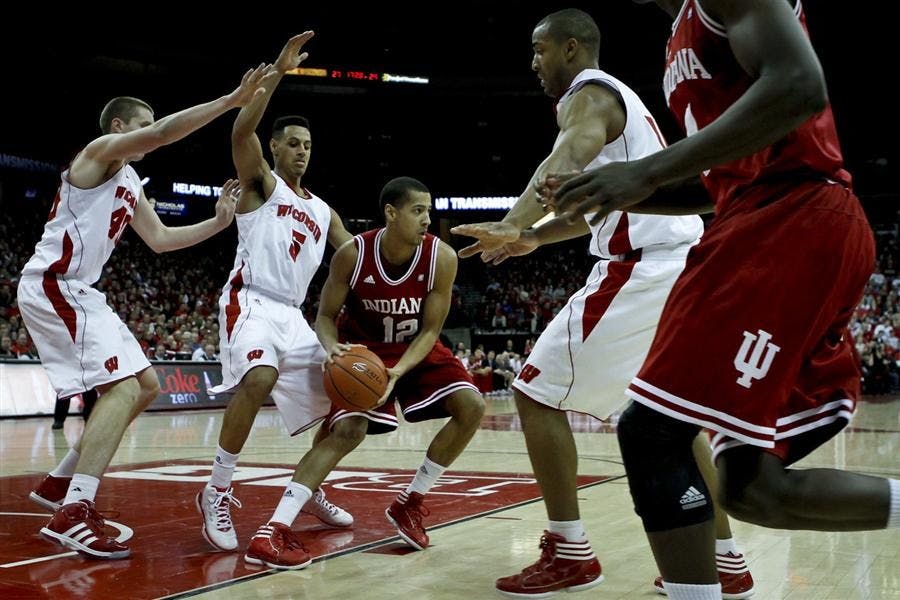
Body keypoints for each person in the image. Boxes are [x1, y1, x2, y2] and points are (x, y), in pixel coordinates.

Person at [546, 2, 900, 599]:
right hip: (764, 222)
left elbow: (800, 84)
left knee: (653, 434)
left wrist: (646, 172)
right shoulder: (675, 41)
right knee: (751, 487)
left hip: (792, 217)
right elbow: (718, 184)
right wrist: (626, 191)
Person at [452, 8, 753, 598]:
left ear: (570, 48)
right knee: (669, 417)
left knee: (534, 392)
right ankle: (725, 559)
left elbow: (561, 161)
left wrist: (515, 221)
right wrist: (536, 237)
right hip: (684, 265)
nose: (533, 63)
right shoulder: (626, 102)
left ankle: (570, 551)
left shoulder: (587, 97)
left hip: (641, 271)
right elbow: (599, 206)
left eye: (539, 50)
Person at [21, 64, 272, 560]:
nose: (151, 132)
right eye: (142, 125)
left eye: (150, 126)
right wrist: (229, 102)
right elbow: (161, 134)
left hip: (82, 291)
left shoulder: (130, 179)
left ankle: (61, 480)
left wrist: (219, 223)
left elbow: (159, 241)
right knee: (122, 388)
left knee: (148, 384)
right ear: (118, 128)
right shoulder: (95, 155)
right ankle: (74, 510)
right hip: (55, 283)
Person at [239, 176, 485, 570]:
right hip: (362, 351)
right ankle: (274, 528)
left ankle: (410, 502)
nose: (427, 220)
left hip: (414, 350)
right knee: (348, 431)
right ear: (391, 212)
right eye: (417, 210)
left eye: (428, 211)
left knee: (472, 405)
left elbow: (430, 330)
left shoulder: (442, 257)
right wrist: (331, 347)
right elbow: (324, 317)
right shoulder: (352, 254)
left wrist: (399, 371)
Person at [196, 33, 357, 557]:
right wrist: (278, 75)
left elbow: (358, 257)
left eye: (307, 146)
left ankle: (308, 490)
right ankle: (217, 489)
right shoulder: (262, 184)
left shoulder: (324, 211)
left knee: (339, 409)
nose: (301, 151)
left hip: (294, 316)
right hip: (251, 300)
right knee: (259, 376)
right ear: (275, 147)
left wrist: (424, 257)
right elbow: (242, 127)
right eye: (292, 143)